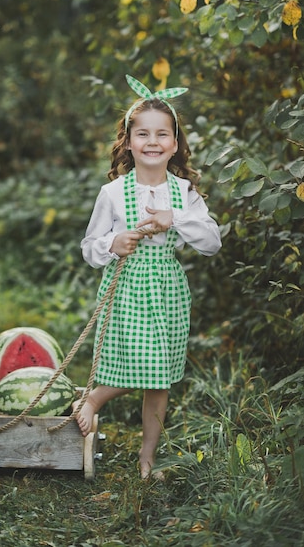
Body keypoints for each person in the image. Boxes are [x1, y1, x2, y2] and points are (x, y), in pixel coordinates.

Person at [74, 74, 222, 479]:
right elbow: (90, 247)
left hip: (168, 287)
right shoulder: (114, 193)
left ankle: (147, 457)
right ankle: (92, 400)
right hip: (127, 286)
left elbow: (211, 242)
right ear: (128, 142)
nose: (152, 141)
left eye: (162, 134)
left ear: (174, 144)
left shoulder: (184, 191)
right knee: (138, 363)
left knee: (161, 379)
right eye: (143, 134)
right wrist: (113, 244)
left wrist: (176, 218)